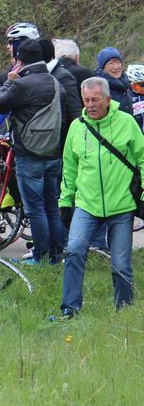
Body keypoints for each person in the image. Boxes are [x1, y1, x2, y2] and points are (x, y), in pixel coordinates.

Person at [57, 77, 144, 317]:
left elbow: (143, 158)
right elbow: (69, 167)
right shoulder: (77, 127)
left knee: (121, 266)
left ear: (107, 99)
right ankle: (70, 310)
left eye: (95, 99)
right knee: (74, 251)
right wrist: (65, 201)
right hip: (87, 205)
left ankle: (124, 313)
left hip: (121, 206)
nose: (91, 105)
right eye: (86, 100)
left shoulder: (126, 123)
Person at [0, 39, 73, 265]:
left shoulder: (22, 84)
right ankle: (56, 256)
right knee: (51, 207)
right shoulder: (55, 83)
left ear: (20, 60)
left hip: (29, 154)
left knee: (35, 209)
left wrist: (9, 81)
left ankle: (40, 256)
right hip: (53, 154)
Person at [95, 47, 133, 115]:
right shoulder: (98, 86)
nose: (116, 67)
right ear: (102, 67)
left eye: (118, 62)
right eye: (111, 63)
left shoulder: (126, 83)